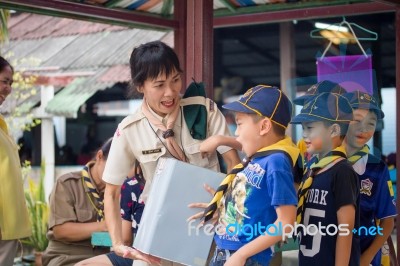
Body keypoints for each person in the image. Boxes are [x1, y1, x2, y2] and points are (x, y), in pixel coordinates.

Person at [102, 41, 240, 263]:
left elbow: (234, 163)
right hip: (159, 232)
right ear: (140, 86)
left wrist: (224, 207)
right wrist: (117, 242)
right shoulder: (129, 129)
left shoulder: (204, 110)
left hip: (210, 225)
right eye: (159, 85)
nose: (170, 92)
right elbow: (111, 192)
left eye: (176, 80)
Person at [197, 85, 299, 265]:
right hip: (226, 249)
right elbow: (244, 143)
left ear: (264, 126)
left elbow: (286, 221)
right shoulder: (261, 155)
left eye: (239, 124)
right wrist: (220, 140)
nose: (236, 132)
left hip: (246, 257)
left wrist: (241, 255)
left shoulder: (276, 162)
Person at [291, 92, 360, 266]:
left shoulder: (342, 171)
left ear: (334, 130)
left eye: (310, 128)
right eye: (303, 128)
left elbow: (346, 229)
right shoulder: (312, 170)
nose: (304, 135)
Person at [343, 91, 396, 266]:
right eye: (357, 121)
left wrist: (366, 259)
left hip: (365, 257)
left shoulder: (377, 168)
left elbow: (387, 221)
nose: (363, 129)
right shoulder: (323, 162)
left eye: (370, 124)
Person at [42, 138, 113, 266]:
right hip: (68, 255)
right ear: (100, 156)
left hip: (106, 256)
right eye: (113, 167)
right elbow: (61, 231)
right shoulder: (67, 184)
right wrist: (105, 225)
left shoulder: (122, 190)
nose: (117, 174)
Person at [0, 56, 32, 265]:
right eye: (4, 80)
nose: (8, 88)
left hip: (8, 225)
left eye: (10, 83)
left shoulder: (3, 126)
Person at [76, 172, 145, 266]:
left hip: (136, 254)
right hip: (76, 250)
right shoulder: (69, 184)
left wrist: (103, 233)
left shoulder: (129, 185)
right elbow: (60, 231)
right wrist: (104, 227)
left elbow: (125, 240)